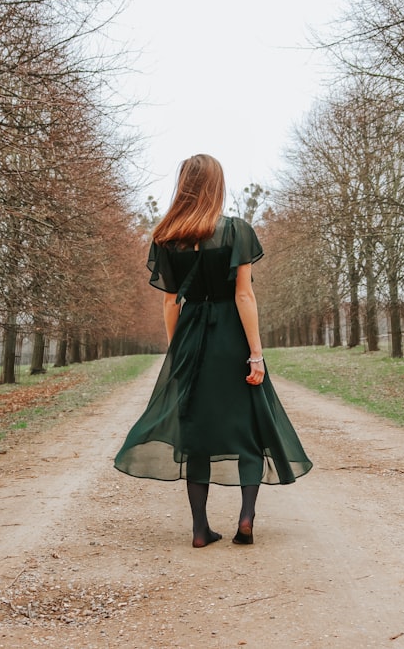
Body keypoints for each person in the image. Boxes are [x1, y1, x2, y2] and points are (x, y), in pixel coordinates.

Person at [114, 154, 312, 548]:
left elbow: (171, 302)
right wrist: (255, 353)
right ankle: (246, 516)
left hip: (191, 337)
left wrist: (178, 352)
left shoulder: (166, 238)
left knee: (196, 430)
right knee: (250, 425)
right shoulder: (237, 231)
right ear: (216, 186)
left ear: (184, 186)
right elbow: (244, 295)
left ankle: (200, 530)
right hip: (232, 338)